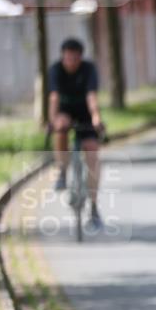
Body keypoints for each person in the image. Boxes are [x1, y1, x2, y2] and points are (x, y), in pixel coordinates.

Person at [49, 37, 105, 230]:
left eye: (74, 58)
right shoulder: (56, 70)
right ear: (63, 57)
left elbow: (91, 96)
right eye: (67, 58)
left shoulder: (89, 70)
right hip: (65, 112)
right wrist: (53, 118)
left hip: (85, 114)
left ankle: (94, 208)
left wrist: (96, 117)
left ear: (80, 58)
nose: (71, 62)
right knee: (61, 127)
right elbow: (54, 97)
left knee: (92, 152)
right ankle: (62, 171)